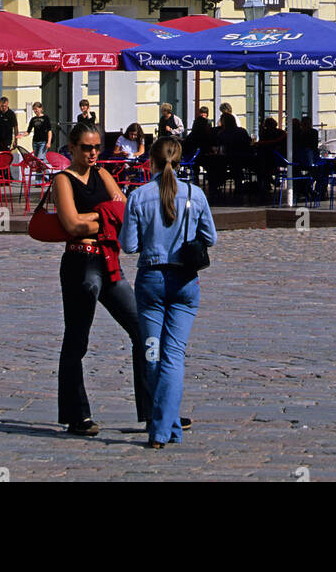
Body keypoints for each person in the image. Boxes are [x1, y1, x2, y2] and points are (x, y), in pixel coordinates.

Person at [53, 122, 151, 437]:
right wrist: (105, 215)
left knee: (142, 330)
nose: (93, 152)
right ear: (71, 148)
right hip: (80, 263)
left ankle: (153, 411)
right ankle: (76, 415)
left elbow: (125, 212)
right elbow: (72, 225)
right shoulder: (63, 181)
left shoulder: (104, 174)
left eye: (97, 146)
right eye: (86, 147)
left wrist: (97, 217)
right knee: (77, 338)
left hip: (109, 261)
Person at [120, 137, 217, 448]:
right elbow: (210, 238)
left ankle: (160, 430)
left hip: (151, 283)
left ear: (150, 161)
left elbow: (129, 245)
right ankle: (168, 425)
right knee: (173, 356)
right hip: (185, 283)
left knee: (151, 353)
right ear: (180, 161)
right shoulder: (196, 195)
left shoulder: (138, 197)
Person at [254, 116, 288, 196]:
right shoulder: (281, 133)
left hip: (268, 157)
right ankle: (269, 180)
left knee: (260, 164)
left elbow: (262, 144)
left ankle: (266, 182)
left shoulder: (264, 133)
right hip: (278, 156)